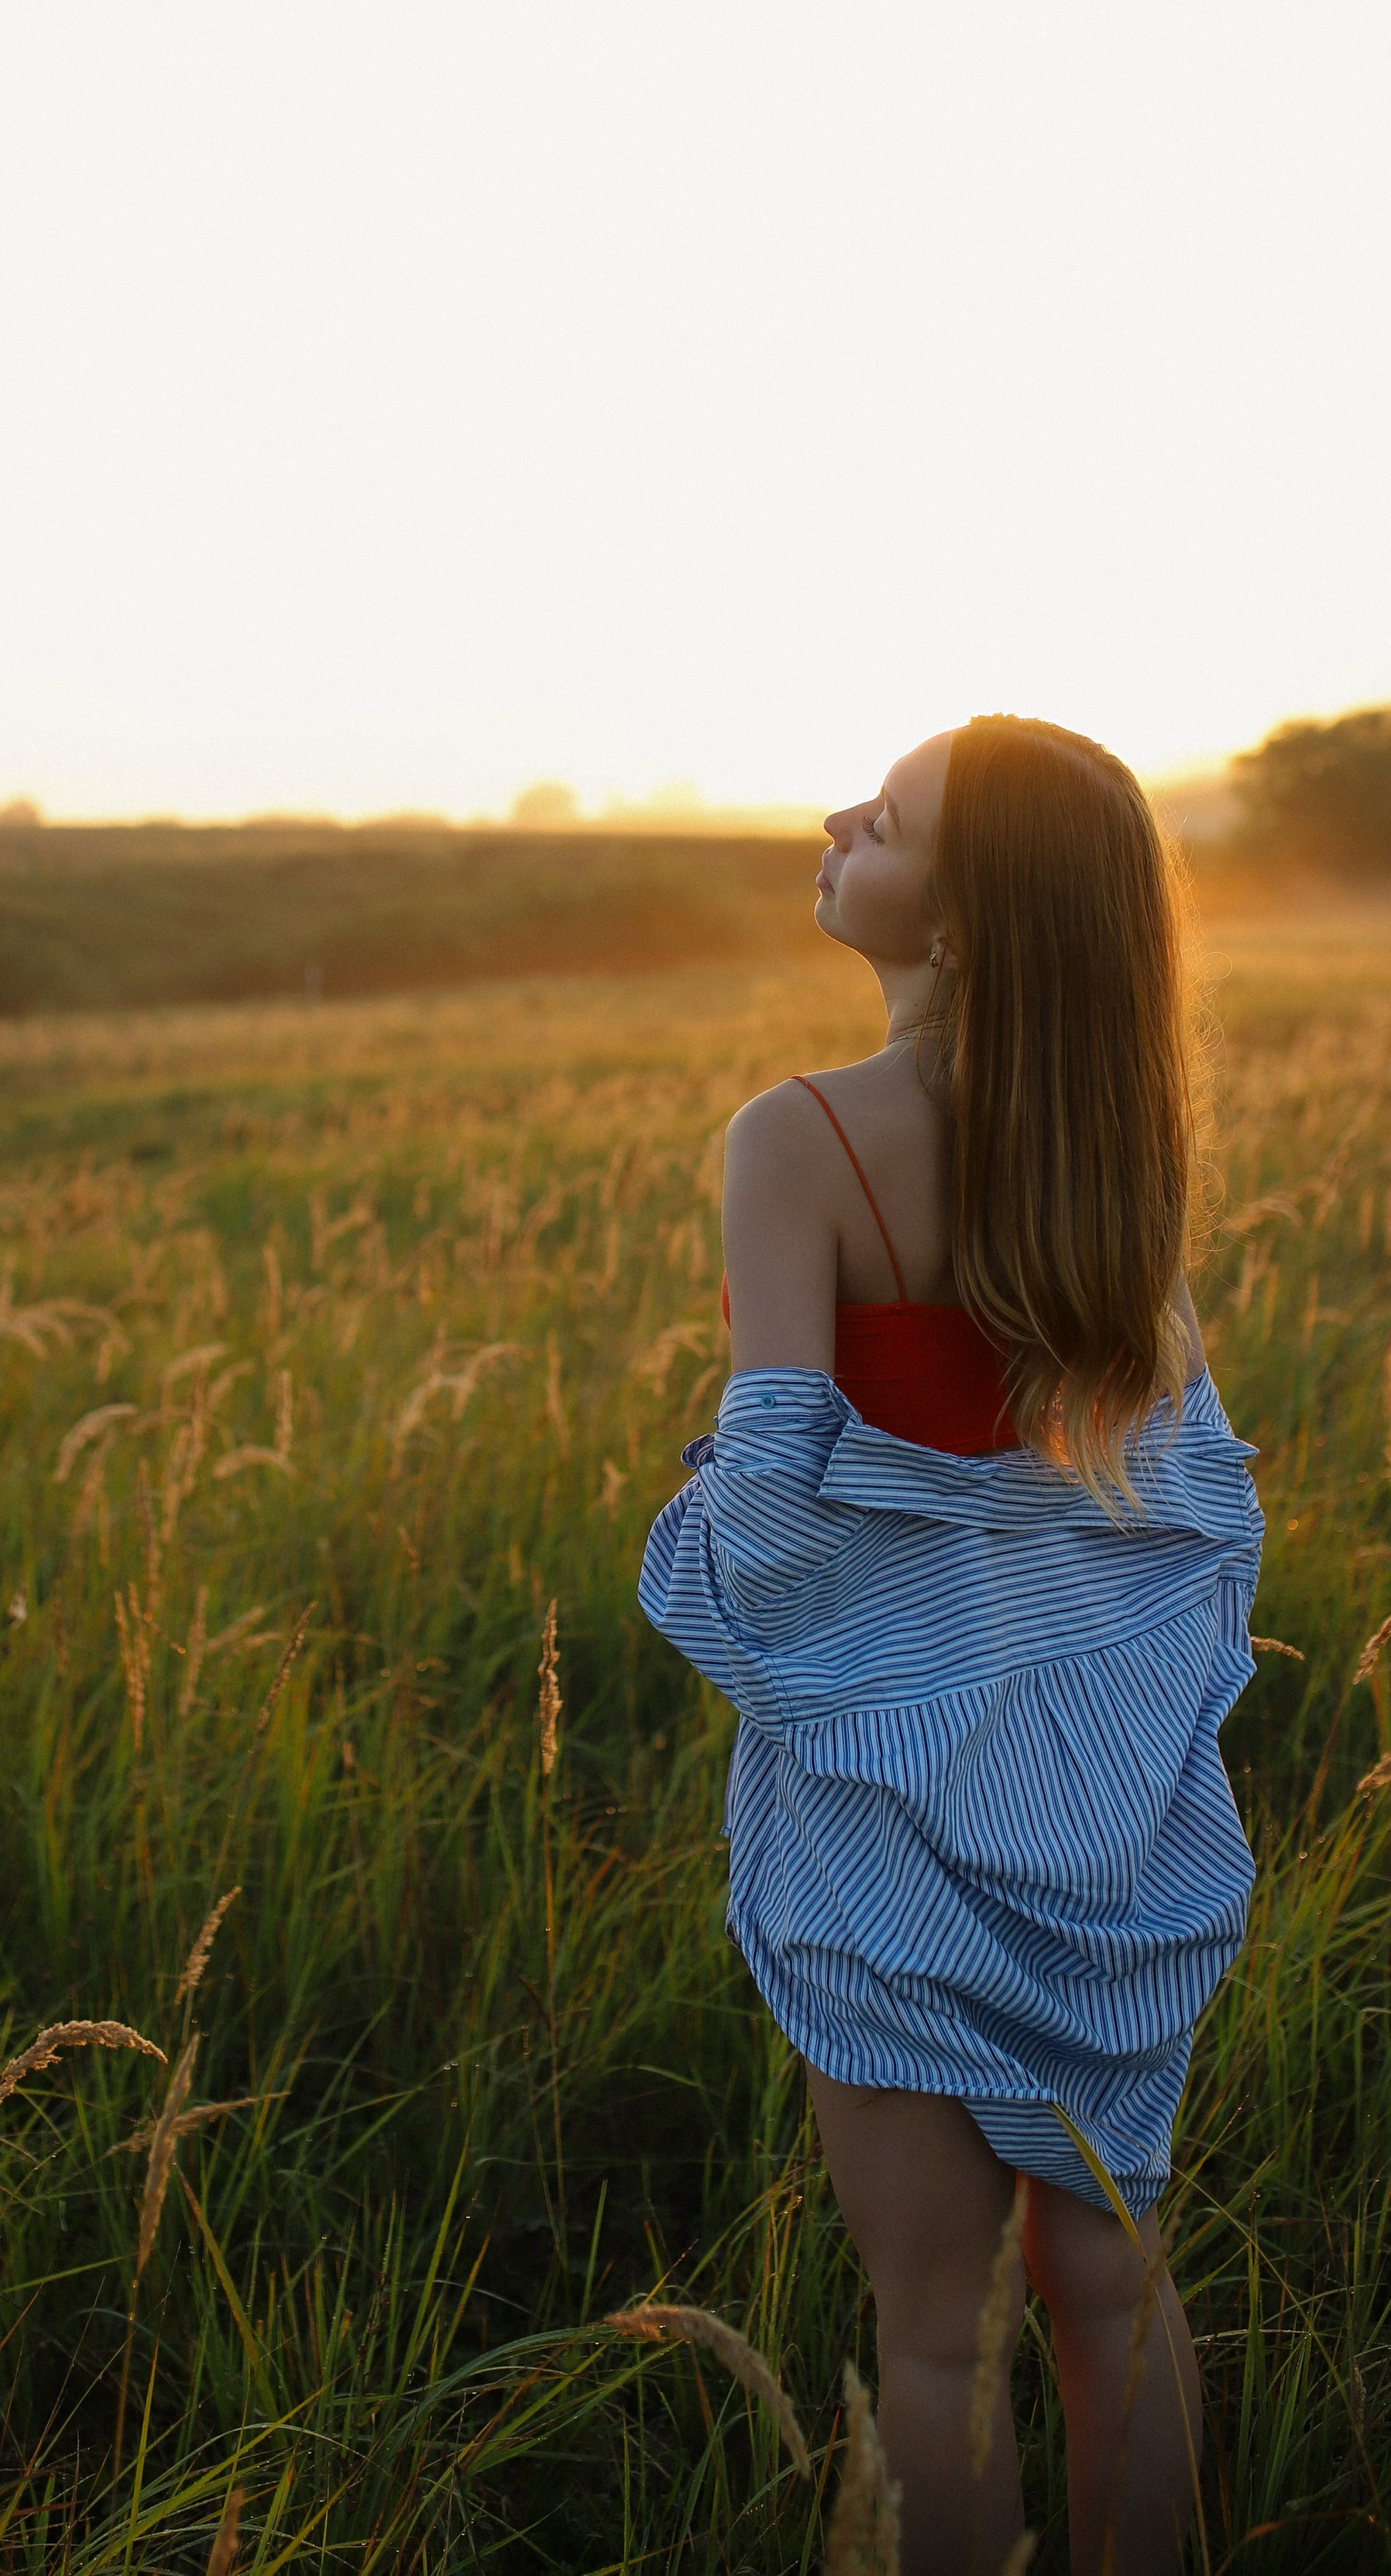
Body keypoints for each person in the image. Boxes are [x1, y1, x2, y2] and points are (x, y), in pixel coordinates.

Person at [638, 717, 1262, 2576]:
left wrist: (709, 1550)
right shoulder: (1113, 1154)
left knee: (936, 2332)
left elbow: (769, 1511)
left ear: (964, 916)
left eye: (887, 816)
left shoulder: (801, 1138)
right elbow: (1194, 1497)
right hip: (1101, 1807)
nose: (835, 817)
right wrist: (1104, 1708)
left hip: (878, 1814)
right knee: (1114, 2290)